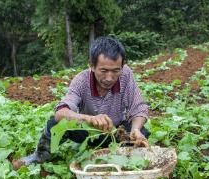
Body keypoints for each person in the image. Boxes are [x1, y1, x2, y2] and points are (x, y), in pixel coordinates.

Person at [12, 36, 150, 169]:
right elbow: (61, 112)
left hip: (115, 132)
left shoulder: (126, 75)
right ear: (91, 65)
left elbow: (138, 107)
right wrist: (88, 118)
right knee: (55, 123)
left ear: (122, 66)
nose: (110, 78)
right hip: (88, 132)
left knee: (141, 131)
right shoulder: (81, 80)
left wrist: (135, 129)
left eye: (115, 71)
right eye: (103, 71)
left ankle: (124, 158)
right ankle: (40, 155)